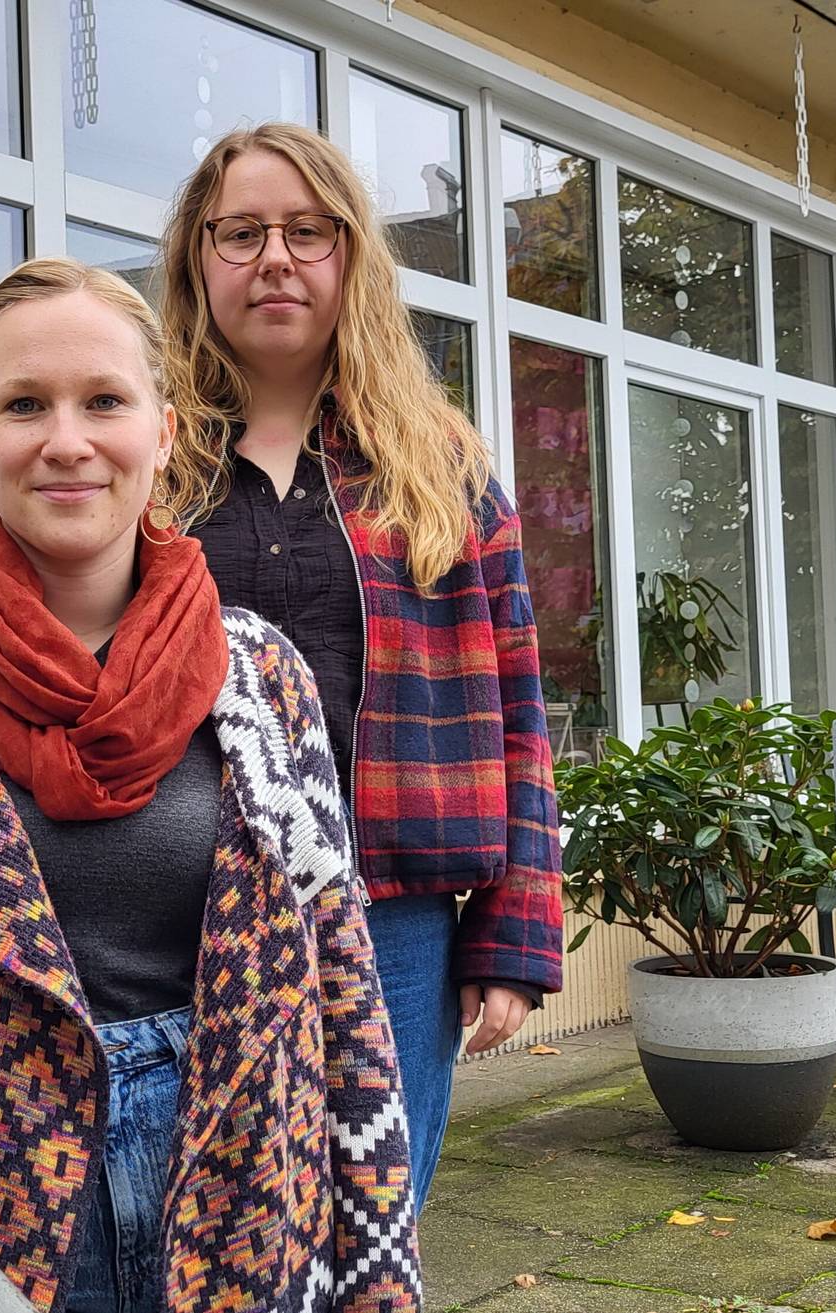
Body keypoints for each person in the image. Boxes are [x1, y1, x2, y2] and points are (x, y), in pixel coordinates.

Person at [0, 257, 420, 1312]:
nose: (67, 439)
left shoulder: (263, 676)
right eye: (25, 404)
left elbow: (345, 989)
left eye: (104, 400)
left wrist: (383, 1276)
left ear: (163, 432)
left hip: (249, 1197)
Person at [156, 123, 565, 1207]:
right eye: (240, 232)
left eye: (307, 230)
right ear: (199, 258)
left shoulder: (443, 465)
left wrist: (515, 934)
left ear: (351, 258)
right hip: (181, 904)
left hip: (396, 915)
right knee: (200, 1217)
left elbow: (521, 712)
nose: (275, 257)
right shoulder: (145, 455)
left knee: (372, 1220)